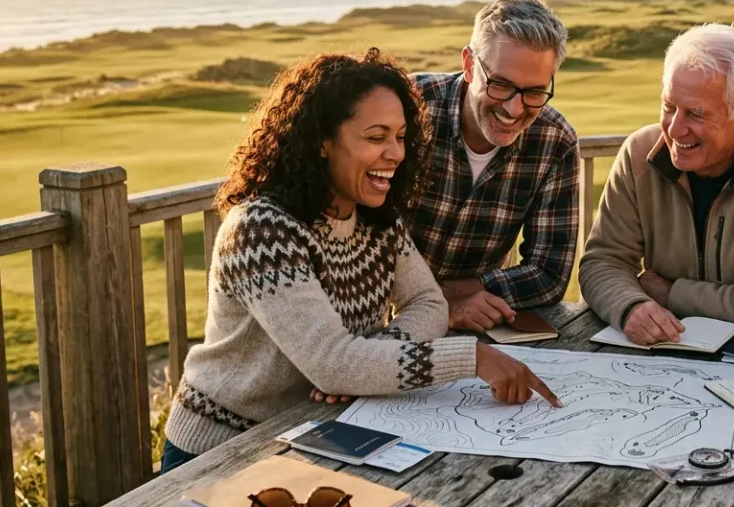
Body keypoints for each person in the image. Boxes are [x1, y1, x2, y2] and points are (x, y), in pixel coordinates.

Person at [161, 50, 561, 474]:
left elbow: (428, 303)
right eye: (376, 137)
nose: (395, 154)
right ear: (322, 141)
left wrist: (365, 364)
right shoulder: (263, 230)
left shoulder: (374, 218)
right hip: (223, 449)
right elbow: (333, 363)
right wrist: (471, 358)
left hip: (317, 434)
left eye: (401, 136)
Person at [579, 24, 734, 345]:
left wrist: (672, 293)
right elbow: (602, 261)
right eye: (669, 107)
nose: (675, 129)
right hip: (668, 349)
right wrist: (631, 306)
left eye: (695, 114)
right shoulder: (639, 152)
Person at [408, 0, 580, 333]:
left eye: (534, 92)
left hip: (470, 325)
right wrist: (433, 303)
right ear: (470, 65)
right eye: (500, 85)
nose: (514, 110)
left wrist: (461, 294)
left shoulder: (556, 141)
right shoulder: (408, 107)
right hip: (368, 323)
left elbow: (549, 274)